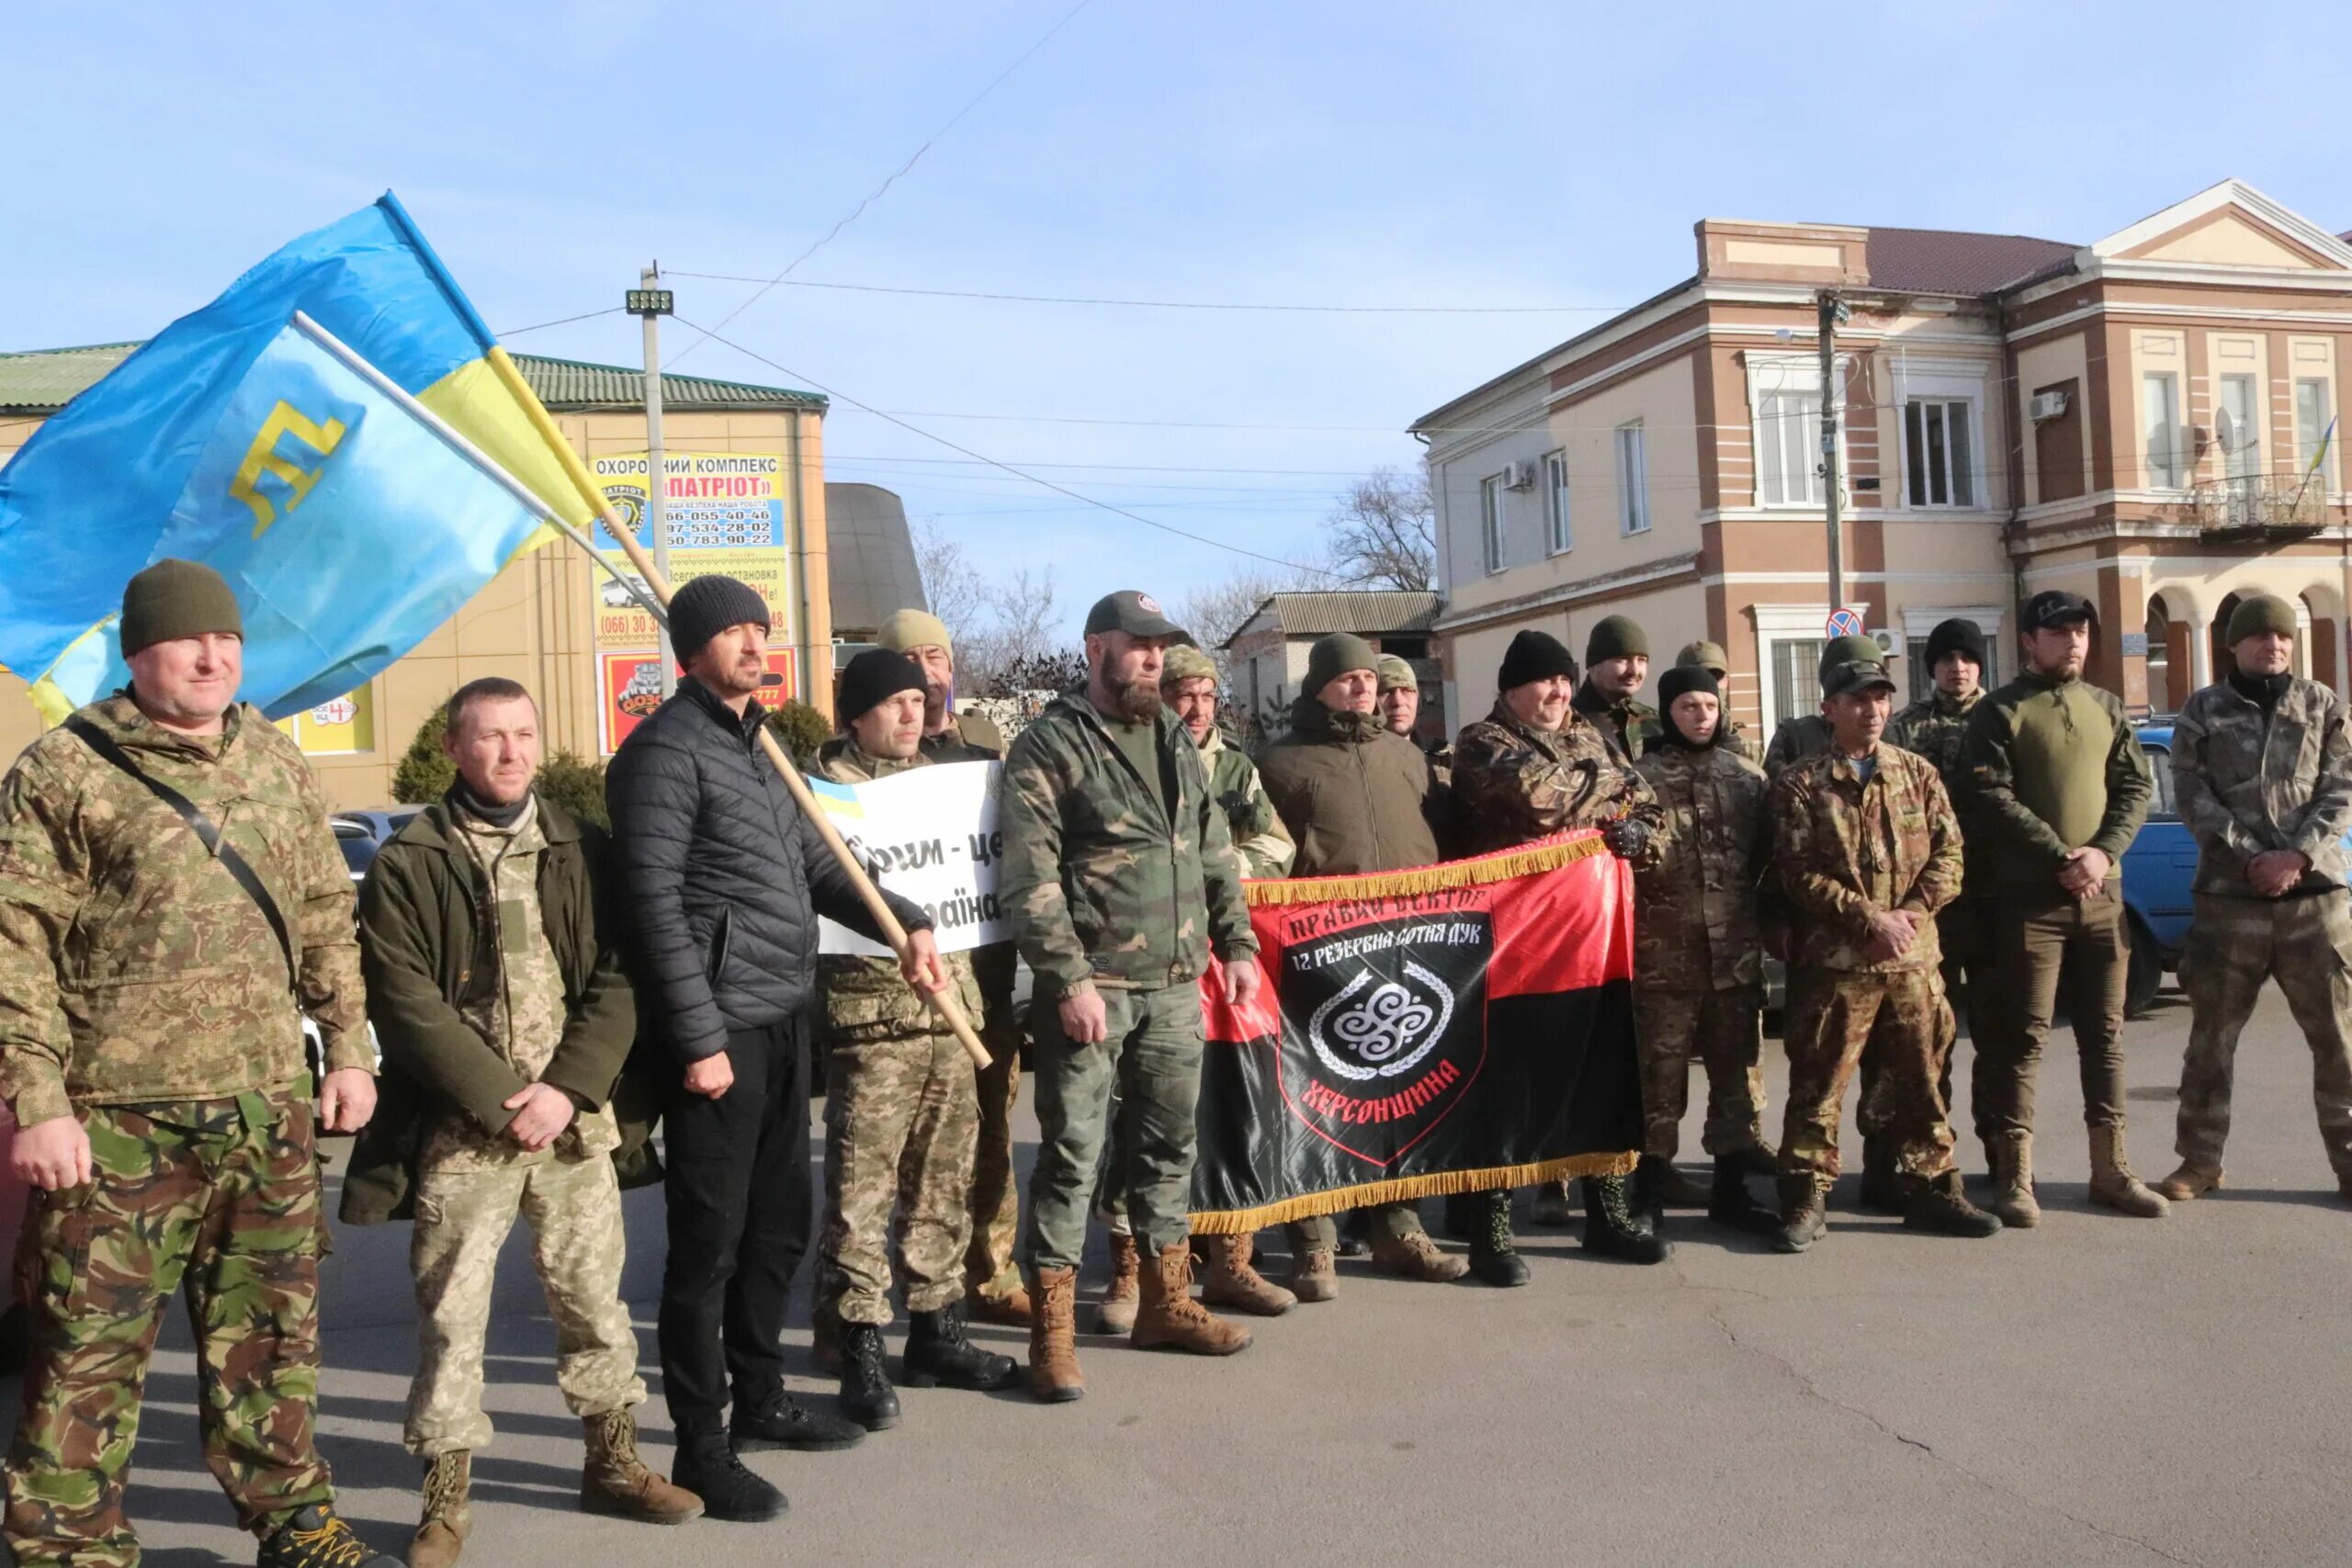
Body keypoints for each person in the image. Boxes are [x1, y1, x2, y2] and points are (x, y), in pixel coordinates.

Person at [0, 560, 399, 1566]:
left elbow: (323, 915)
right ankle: (68, 1545)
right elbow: (14, 942)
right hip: (116, 1122)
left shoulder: (273, 758)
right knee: (89, 1355)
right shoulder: (64, 770)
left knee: (273, 1346)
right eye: (188, 640)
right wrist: (37, 1101)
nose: (213, 654)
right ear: (139, 653)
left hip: (264, 1110)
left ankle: (296, 1525)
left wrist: (347, 1046)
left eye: (225, 639)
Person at [606, 574, 948, 1520]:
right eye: (735, 632)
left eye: (761, 628)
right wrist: (697, 1037)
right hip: (719, 1035)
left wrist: (907, 921)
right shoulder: (663, 755)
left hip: (785, 1018)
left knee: (776, 1231)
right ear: (693, 648)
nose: (757, 644)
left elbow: (815, 867)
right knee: (706, 1251)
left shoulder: (760, 747)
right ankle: (701, 1444)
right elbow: (653, 911)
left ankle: (759, 1400)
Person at [346, 678, 696, 1565]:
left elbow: (623, 974)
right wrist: (506, 1099)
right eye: (491, 736)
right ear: (456, 747)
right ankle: (445, 1498)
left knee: (593, 1301)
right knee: (452, 1316)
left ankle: (613, 1462)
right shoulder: (410, 861)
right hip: (466, 1133)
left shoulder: (584, 848)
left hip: (572, 1123)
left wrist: (567, 1090)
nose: (511, 752)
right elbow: (405, 1001)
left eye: (525, 734)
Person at [998, 591, 1263, 1403]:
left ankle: (1167, 1301)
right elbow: (1030, 878)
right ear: (1096, 649)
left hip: (1177, 987)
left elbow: (1213, 848)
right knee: (1074, 1157)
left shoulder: (1175, 741)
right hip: (1094, 991)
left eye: (1161, 647)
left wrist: (1238, 942)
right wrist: (1068, 978)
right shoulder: (1050, 745)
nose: (1153, 658)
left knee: (1168, 1151)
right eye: (1138, 645)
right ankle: (1053, 1333)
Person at [810, 651, 1019, 1431]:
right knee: (862, 1193)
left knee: (944, 1182)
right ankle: (859, 1343)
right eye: (892, 702)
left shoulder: (947, 788)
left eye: (916, 699)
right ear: (856, 714)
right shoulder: (827, 794)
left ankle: (938, 1330)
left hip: (950, 1013)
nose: (909, 714)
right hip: (876, 1024)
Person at [1086, 644, 1296, 1333]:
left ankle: (1230, 1257)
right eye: (1185, 693)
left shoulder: (1236, 766)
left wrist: (1219, 865)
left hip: (1222, 961)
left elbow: (1278, 849)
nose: (1198, 706)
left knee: (1227, 1110)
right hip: (1151, 962)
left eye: (1208, 694)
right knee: (1138, 1119)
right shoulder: (1133, 755)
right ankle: (1129, 1267)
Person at [1450, 628, 1668, 1280]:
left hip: (1591, 938)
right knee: (1506, 1087)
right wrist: (1608, 787)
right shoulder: (1481, 741)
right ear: (1511, 688)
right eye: (1545, 681)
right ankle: (1491, 1229)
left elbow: (1650, 808)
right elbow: (1540, 801)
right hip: (1510, 945)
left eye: (1565, 681)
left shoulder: (1587, 736)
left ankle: (1608, 1214)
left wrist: (1635, 828)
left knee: (1599, 1073)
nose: (1559, 692)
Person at [1256, 634, 1470, 1296]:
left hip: (1407, 953)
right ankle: (1313, 1240)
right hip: (1317, 963)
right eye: (1346, 678)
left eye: (1368, 678)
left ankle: (1396, 1227)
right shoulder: (1280, 763)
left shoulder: (1406, 759)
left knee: (1398, 1093)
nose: (1362, 688)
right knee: (1315, 1101)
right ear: (1317, 686)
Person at [1768, 654, 2001, 1252]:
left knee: (1922, 1084)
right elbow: (1798, 873)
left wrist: (1909, 918)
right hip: (1837, 966)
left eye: (1879, 698)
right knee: (1818, 1087)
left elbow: (1950, 857)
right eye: (1856, 699)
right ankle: (1804, 1192)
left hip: (1913, 963)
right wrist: (1868, 917)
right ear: (1829, 708)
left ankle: (1932, 1187)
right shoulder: (1802, 782)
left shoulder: (1917, 774)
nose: (1870, 709)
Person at [1957, 591, 2163, 1225]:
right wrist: (2059, 855)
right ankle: (2015, 1177)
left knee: (2106, 1037)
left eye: (2080, 631)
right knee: (2024, 1038)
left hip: (2104, 897)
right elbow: (1988, 796)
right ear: (2029, 640)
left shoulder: (2105, 707)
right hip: (2029, 902)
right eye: (2058, 632)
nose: (2073, 641)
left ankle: (2111, 1169)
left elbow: (2135, 786)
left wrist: (2101, 854)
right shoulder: (1998, 712)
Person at [2160, 594, 2352, 1202]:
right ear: (2234, 645)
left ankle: (2350, 1164)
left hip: (2314, 900)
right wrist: (2251, 857)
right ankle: (2199, 1160)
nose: (2274, 646)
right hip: (2229, 901)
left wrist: (2296, 856)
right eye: (2261, 637)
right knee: (2211, 1041)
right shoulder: (2204, 710)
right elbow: (2192, 795)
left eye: (2283, 637)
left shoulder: (2320, 704)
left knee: (2340, 1042)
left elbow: (2341, 785)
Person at [876, 608, 1029, 1328]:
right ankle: (890, 1286)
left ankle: (993, 1271)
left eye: (937, 657)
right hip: (915, 982)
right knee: (907, 1148)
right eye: (912, 661)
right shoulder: (874, 757)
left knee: (992, 1127)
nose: (928, 673)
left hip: (989, 971)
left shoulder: (986, 743)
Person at [1629, 665, 1779, 1235]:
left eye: (1708, 707)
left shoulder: (1746, 778)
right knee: (1658, 1082)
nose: (1699, 717)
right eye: (1688, 707)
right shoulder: (1638, 779)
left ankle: (1732, 1189)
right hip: (1664, 961)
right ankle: (1647, 1193)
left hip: (1734, 960)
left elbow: (1769, 860)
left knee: (1735, 1080)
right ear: (1668, 712)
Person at [1883, 616, 1992, 1197]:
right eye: (1947, 659)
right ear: (1933, 668)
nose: (1958, 668)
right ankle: (1922, 1158)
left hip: (1990, 896)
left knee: (1996, 1033)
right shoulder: (1905, 727)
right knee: (1924, 1037)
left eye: (1967, 658)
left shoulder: (2000, 719)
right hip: (1925, 905)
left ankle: (2001, 1156)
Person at [1763, 634, 1884, 774]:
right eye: (1858, 698)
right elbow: (1777, 788)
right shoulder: (1796, 737)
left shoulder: (1894, 736)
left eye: (1880, 697)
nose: (1873, 711)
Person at [1574, 614, 1659, 763]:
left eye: (1641, 660)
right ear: (1594, 665)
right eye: (1623, 659)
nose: (1634, 670)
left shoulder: (1655, 723)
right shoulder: (1568, 723)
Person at [1673, 640, 1760, 763]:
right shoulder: (1657, 746)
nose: (1709, 686)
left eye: (1715, 677)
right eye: (1698, 678)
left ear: (1727, 681)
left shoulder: (1747, 750)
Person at [1376, 653, 1422, 742]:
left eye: (1406, 690)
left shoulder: (1442, 754)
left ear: (1417, 696)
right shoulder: (1352, 755)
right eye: (1386, 691)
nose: (1398, 702)